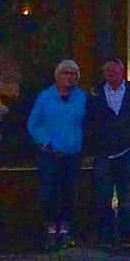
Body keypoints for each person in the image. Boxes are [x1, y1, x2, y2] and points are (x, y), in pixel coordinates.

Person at [85, 56, 130, 248]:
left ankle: (127, 235)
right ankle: (106, 236)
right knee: (103, 196)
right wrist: (93, 146)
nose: (112, 74)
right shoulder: (95, 94)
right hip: (103, 153)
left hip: (127, 152)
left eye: (115, 71)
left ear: (122, 72)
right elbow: (89, 121)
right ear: (103, 74)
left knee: (125, 197)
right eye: (108, 72)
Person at [26, 59, 88, 250]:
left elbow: (90, 123)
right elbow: (33, 124)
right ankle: (51, 231)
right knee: (49, 193)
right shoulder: (45, 97)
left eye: (73, 74)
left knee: (70, 193)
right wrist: (45, 142)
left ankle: (67, 232)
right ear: (57, 76)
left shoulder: (83, 98)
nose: (70, 77)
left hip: (72, 153)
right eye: (66, 73)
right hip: (50, 154)